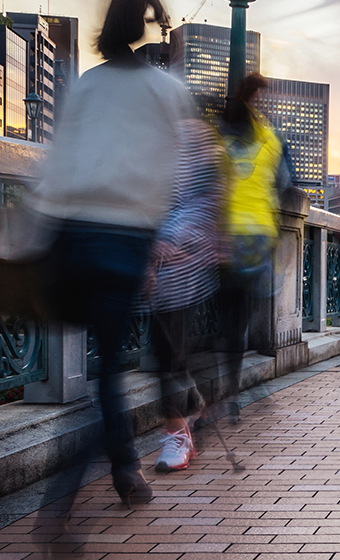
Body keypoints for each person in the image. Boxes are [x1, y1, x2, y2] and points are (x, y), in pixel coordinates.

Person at [25, 0, 193, 506]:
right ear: (145, 24)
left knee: (103, 366)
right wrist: (156, 246)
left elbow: (59, 163)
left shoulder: (87, 84)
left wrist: (40, 236)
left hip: (74, 233)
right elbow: (174, 173)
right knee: (111, 369)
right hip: (126, 238)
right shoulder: (167, 90)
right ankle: (68, 495)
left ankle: (125, 468)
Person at [144, 117, 227, 472]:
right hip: (160, 277)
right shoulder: (158, 159)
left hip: (190, 278)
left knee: (175, 354)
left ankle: (180, 431)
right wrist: (151, 253)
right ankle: (182, 425)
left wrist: (183, 244)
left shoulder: (203, 152)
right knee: (166, 354)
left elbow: (213, 209)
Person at [216, 72, 293, 425]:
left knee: (226, 318)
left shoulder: (219, 134)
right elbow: (284, 184)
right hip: (259, 236)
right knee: (243, 315)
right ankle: (234, 393)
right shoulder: (271, 138)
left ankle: (222, 393)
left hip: (223, 235)